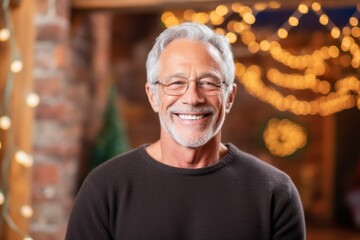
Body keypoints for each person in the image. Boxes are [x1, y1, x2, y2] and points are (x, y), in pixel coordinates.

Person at [65, 22, 305, 239]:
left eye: (208, 82)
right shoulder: (105, 187)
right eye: (176, 82)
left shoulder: (274, 193)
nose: (192, 98)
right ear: (153, 96)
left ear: (229, 97)